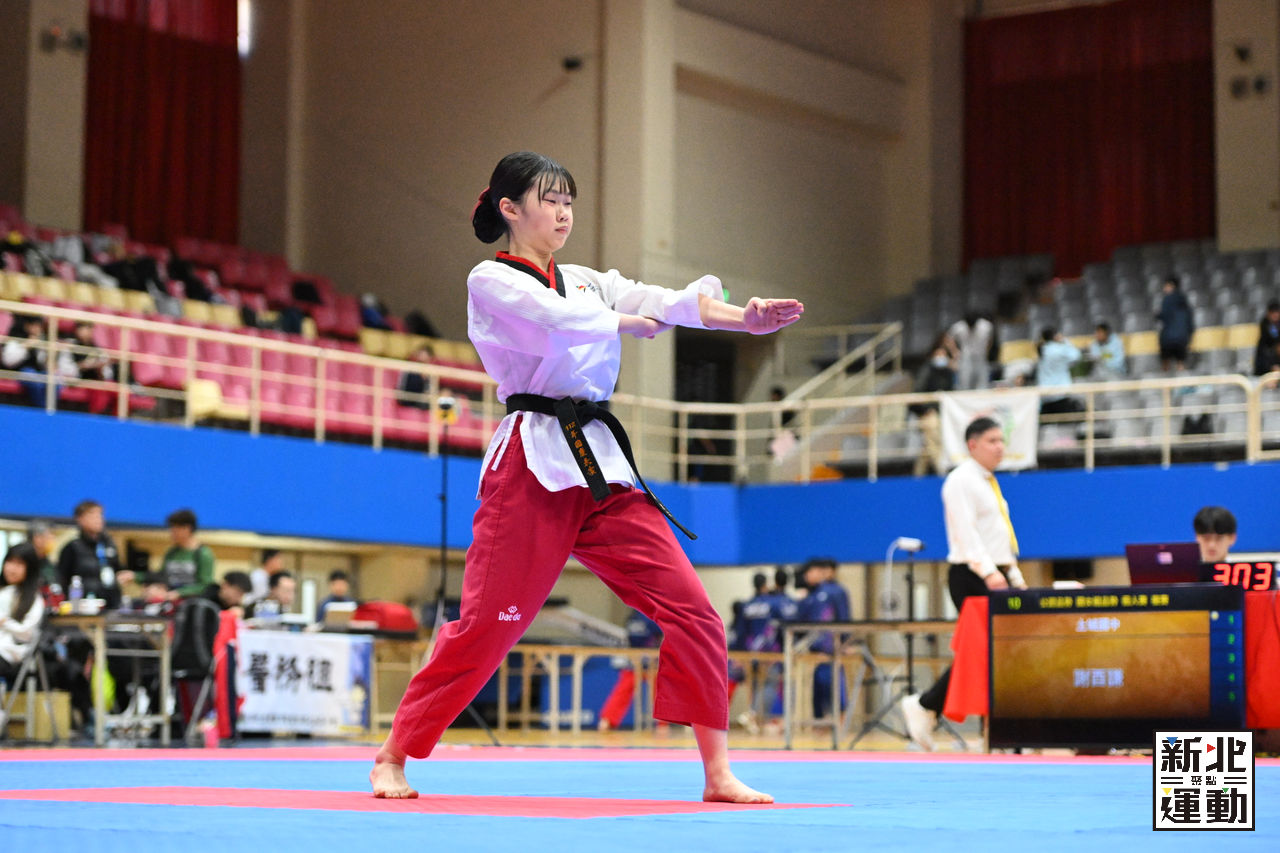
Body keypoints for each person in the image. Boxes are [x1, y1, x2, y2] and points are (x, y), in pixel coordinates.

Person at [371, 151, 802, 804]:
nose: (563, 212)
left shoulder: (586, 281)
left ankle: (717, 774)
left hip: (601, 467)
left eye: (569, 201)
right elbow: (553, 319)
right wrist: (629, 324)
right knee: (489, 626)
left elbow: (664, 300)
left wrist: (744, 317)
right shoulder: (491, 279)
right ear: (510, 209)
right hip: (530, 464)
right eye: (549, 200)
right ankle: (394, 753)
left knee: (694, 610)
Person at [901, 415, 1027, 751]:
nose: (1000, 447)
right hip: (972, 575)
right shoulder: (960, 481)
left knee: (996, 652)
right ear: (973, 445)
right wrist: (987, 572)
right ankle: (930, 705)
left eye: (1002, 440)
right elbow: (965, 533)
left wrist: (1014, 576)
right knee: (984, 650)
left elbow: (998, 537)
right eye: (992, 441)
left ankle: (930, 705)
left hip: (998, 571)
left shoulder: (989, 483)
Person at [734, 571, 798, 732]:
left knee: (756, 685)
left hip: (751, 651)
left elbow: (740, 631)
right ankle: (754, 715)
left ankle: (757, 719)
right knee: (770, 683)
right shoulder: (774, 604)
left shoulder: (747, 605)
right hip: (770, 652)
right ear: (765, 585)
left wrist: (740, 653)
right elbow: (775, 629)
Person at [794, 557, 851, 721]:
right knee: (819, 688)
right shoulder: (811, 594)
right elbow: (801, 620)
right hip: (814, 649)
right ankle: (820, 720)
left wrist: (845, 642)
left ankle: (839, 719)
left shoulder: (836, 591)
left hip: (831, 648)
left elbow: (844, 617)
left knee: (834, 684)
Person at [56, 499, 130, 609]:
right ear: (80, 519)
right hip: (84, 606)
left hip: (111, 604)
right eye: (92, 515)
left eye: (100, 515)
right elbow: (62, 578)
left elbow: (117, 569)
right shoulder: (72, 548)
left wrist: (123, 575)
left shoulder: (109, 544)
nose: (98, 519)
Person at [597, 609, 663, 731]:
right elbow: (632, 639)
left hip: (654, 662)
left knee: (661, 690)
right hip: (635, 662)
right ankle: (608, 720)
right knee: (624, 688)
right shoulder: (635, 617)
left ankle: (663, 725)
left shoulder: (653, 614)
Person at [0, 542, 45, 685]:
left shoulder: (34, 600)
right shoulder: (3, 591)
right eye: (10, 562)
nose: (12, 569)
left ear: (30, 569)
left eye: (19, 564)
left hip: (9, 654)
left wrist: (4, 622)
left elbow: (27, 633)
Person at [910, 341, 956, 476]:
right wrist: (926, 409)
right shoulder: (926, 371)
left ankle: (918, 475)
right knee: (934, 442)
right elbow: (918, 392)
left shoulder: (947, 373)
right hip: (928, 413)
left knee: (927, 446)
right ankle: (942, 472)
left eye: (943, 354)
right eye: (938, 354)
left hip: (942, 413)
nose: (941, 357)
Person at [157, 509, 216, 601]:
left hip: (191, 602)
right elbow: (161, 575)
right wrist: (158, 587)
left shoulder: (203, 554)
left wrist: (180, 593)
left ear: (187, 529)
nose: (171, 533)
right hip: (168, 598)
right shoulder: (171, 552)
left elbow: (205, 585)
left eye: (175, 530)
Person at [1036, 327, 1082, 416]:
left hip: (1044, 395)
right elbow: (1076, 356)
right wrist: (1065, 341)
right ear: (1056, 336)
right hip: (1060, 395)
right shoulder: (1060, 349)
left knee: (1048, 421)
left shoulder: (1042, 349)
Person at [1156, 276, 1194, 373]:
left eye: (1166, 286)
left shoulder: (1167, 299)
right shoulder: (1184, 300)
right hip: (1183, 337)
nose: (1164, 288)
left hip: (1168, 337)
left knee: (1165, 365)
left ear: (1171, 285)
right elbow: (1190, 323)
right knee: (1180, 364)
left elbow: (1164, 316)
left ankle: (1166, 382)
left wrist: (1157, 315)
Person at [947, 313, 994, 391]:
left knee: (982, 384)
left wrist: (987, 350)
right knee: (965, 384)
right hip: (966, 358)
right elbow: (948, 338)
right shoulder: (959, 326)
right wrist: (954, 352)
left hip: (981, 357)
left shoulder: (986, 326)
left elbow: (990, 339)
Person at [1254, 302, 1280, 376]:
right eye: (1273, 313)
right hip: (1264, 370)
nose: (1275, 316)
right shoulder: (1265, 325)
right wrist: (1271, 368)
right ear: (1268, 313)